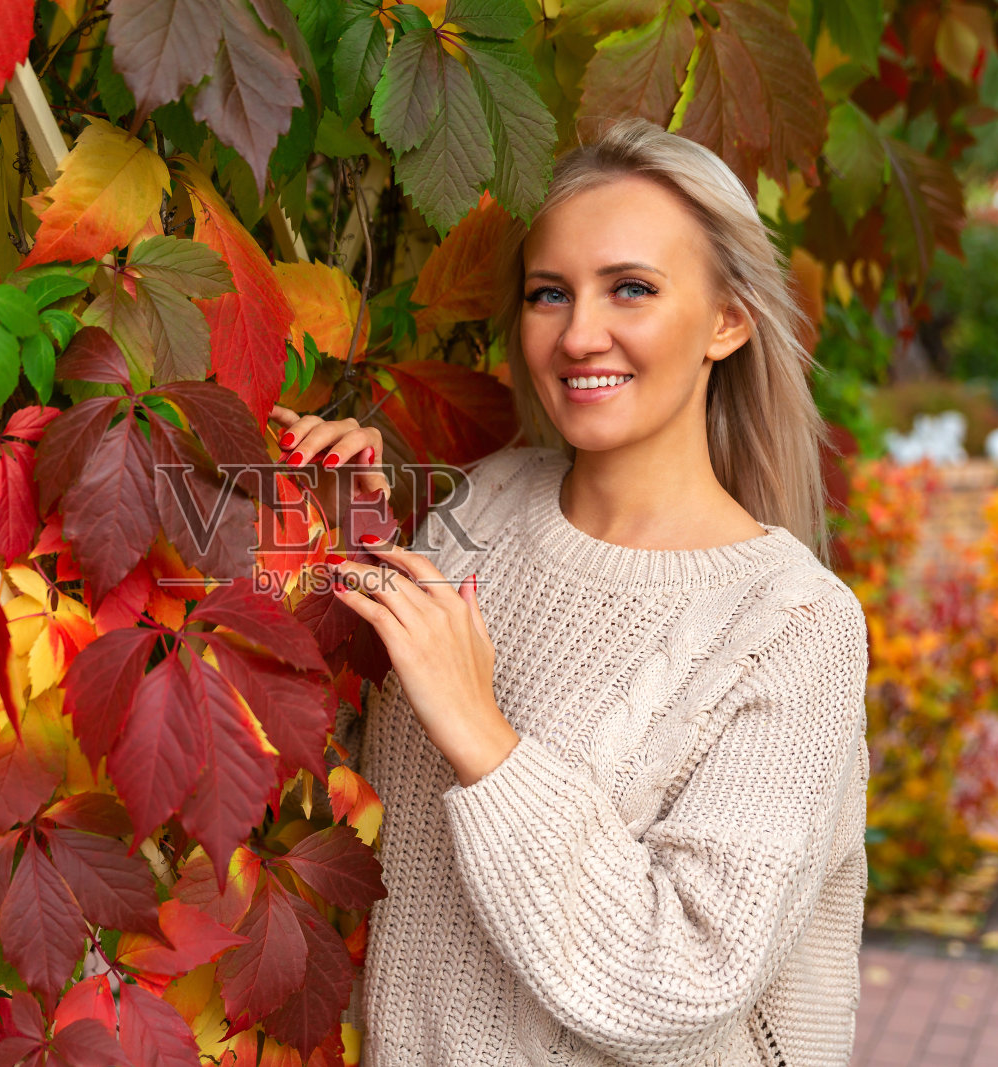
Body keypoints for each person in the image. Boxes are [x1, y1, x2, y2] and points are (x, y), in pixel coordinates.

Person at [267, 116, 870, 1067]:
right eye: (551, 293)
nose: (580, 333)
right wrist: (338, 544)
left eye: (630, 287)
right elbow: (369, 810)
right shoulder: (483, 505)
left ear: (728, 320)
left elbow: (683, 973)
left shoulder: (793, 627)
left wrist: (488, 742)